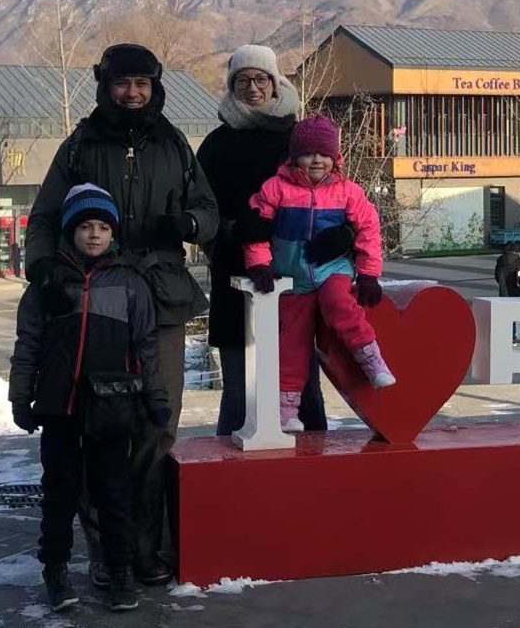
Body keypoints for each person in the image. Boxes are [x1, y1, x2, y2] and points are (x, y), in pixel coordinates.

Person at [25, 42, 218, 589]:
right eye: (122, 83)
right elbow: (43, 216)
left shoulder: (173, 142)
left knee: (158, 426)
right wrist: (43, 270)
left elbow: (209, 212)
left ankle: (144, 548)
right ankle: (106, 551)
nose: (133, 93)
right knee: (98, 427)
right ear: (105, 85)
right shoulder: (81, 144)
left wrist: (185, 225)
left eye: (143, 83)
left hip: (161, 297)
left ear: (156, 86)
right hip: (94, 298)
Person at [9, 184, 171, 613]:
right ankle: (56, 570)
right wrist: (20, 398)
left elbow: (146, 347)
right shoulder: (48, 283)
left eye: (103, 227)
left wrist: (155, 399)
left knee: (114, 492)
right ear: (70, 230)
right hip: (59, 408)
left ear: (114, 233)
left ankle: (119, 572)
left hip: (113, 409)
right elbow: (27, 344)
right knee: (59, 492)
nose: (95, 235)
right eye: (85, 226)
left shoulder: (130, 285)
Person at [196, 45, 334, 436]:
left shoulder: (298, 139)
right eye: (243, 80)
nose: (253, 87)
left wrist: (336, 236)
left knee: (303, 392)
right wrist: (232, 234)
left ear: (275, 82)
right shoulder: (216, 145)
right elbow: (202, 209)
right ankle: (229, 484)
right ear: (231, 85)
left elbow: (332, 191)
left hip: (297, 279)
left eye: (260, 79)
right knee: (239, 396)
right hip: (236, 279)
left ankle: (317, 477)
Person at [242, 115, 394, 430]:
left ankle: (370, 358)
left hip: (332, 269)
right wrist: (259, 263)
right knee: (292, 344)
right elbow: (256, 229)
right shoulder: (276, 188)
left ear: (335, 157)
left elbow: (368, 228)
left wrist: (367, 273)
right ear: (295, 155)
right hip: (293, 277)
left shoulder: (347, 191)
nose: (317, 160)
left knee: (340, 304)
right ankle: (286, 410)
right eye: (309, 153)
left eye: (324, 154)